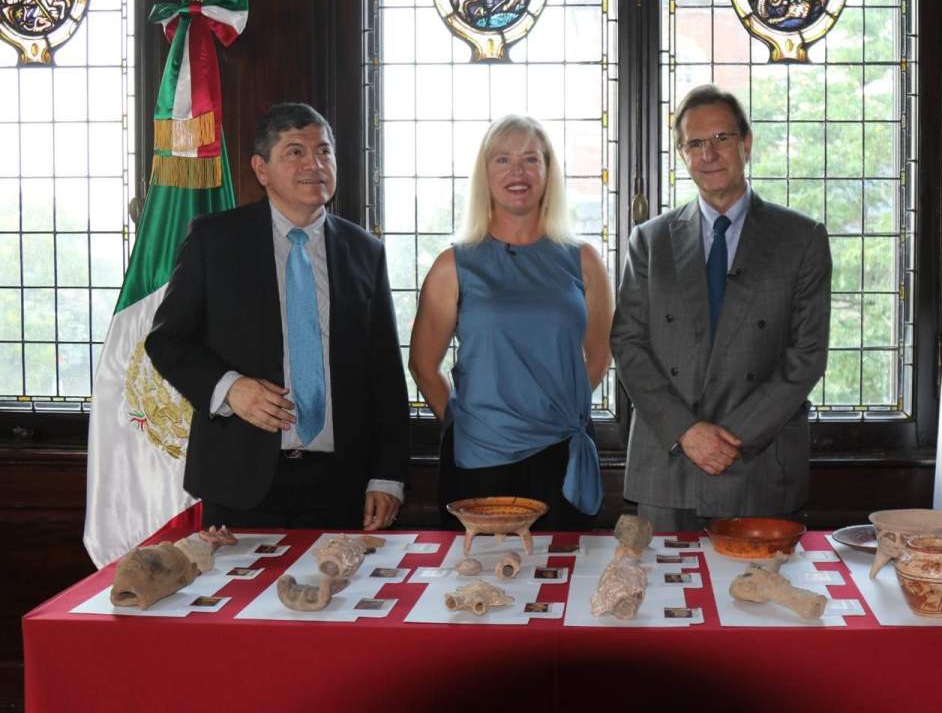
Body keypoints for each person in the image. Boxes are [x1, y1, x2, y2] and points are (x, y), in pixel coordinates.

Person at [145, 102, 409, 531]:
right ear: (261, 168)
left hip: (343, 485)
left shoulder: (365, 252)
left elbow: (385, 372)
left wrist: (389, 475)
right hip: (240, 481)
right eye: (295, 152)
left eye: (324, 152)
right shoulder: (216, 239)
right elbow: (167, 340)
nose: (314, 165)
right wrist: (229, 389)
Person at [611, 84, 831, 533]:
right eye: (695, 143)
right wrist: (687, 433)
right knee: (664, 601)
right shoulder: (650, 241)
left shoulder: (801, 238)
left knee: (760, 600)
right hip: (667, 466)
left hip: (759, 467)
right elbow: (628, 343)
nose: (708, 154)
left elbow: (806, 356)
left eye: (721, 139)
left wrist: (730, 439)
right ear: (681, 154)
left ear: (746, 144)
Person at [409, 114, 613, 531]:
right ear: (484, 174)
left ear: (548, 171)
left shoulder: (584, 260)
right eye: (502, 160)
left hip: (562, 455)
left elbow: (599, 354)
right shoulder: (454, 264)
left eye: (530, 160)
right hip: (479, 461)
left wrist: (550, 407)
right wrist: (472, 421)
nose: (517, 172)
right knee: (475, 587)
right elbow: (423, 367)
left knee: (562, 586)